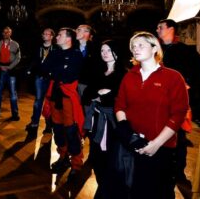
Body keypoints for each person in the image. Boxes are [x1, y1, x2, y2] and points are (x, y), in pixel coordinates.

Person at [115, 32, 189, 199]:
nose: (135, 49)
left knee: (159, 192)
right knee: (133, 191)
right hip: (133, 146)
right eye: (133, 47)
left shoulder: (173, 77)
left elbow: (178, 114)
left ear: (155, 48)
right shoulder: (129, 76)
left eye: (141, 45)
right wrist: (127, 132)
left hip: (161, 148)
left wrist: (156, 144)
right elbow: (120, 105)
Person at [156, 19, 200, 183]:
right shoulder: (154, 50)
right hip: (158, 101)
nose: (157, 29)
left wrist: (188, 84)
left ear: (171, 29)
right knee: (158, 135)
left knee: (178, 138)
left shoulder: (185, 50)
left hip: (177, 101)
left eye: (160, 27)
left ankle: (178, 173)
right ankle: (160, 170)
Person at [83, 40, 127, 198]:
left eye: (108, 50)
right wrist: (100, 95)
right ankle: (104, 188)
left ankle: (108, 192)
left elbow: (122, 99)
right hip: (97, 119)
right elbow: (87, 93)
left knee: (112, 158)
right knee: (96, 158)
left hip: (114, 121)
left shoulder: (123, 74)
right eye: (102, 50)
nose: (105, 53)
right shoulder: (98, 71)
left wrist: (106, 96)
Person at [43, 28, 85, 181]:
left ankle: (76, 164)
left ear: (68, 38)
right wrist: (59, 70)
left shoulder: (76, 54)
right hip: (55, 95)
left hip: (68, 97)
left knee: (71, 130)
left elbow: (71, 74)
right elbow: (44, 69)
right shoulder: (54, 53)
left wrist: (55, 71)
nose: (57, 37)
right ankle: (63, 157)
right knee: (58, 129)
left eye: (59, 35)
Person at [26, 28, 58, 132]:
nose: (44, 35)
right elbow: (35, 60)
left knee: (49, 101)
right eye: (43, 34)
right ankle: (35, 122)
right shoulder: (38, 47)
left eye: (47, 34)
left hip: (51, 78)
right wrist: (29, 69)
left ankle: (49, 124)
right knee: (38, 99)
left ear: (52, 36)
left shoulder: (56, 48)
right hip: (39, 77)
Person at [0, 26, 21, 120]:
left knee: (12, 93)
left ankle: (15, 114)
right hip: (0, 70)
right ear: (2, 33)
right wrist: (0, 66)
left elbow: (18, 58)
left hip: (11, 70)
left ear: (10, 33)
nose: (6, 34)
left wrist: (9, 67)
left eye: (8, 32)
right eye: (4, 32)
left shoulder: (15, 44)